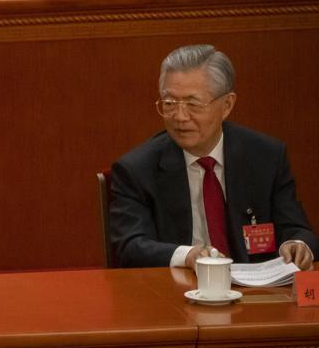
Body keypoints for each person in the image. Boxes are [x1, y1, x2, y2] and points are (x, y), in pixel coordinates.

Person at [110, 44, 317, 270]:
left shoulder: (266, 157)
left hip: (255, 293)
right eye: (169, 103)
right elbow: (130, 247)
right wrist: (188, 256)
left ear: (227, 105)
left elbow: (296, 229)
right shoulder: (137, 169)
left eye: (193, 104)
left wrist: (298, 245)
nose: (179, 116)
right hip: (176, 291)